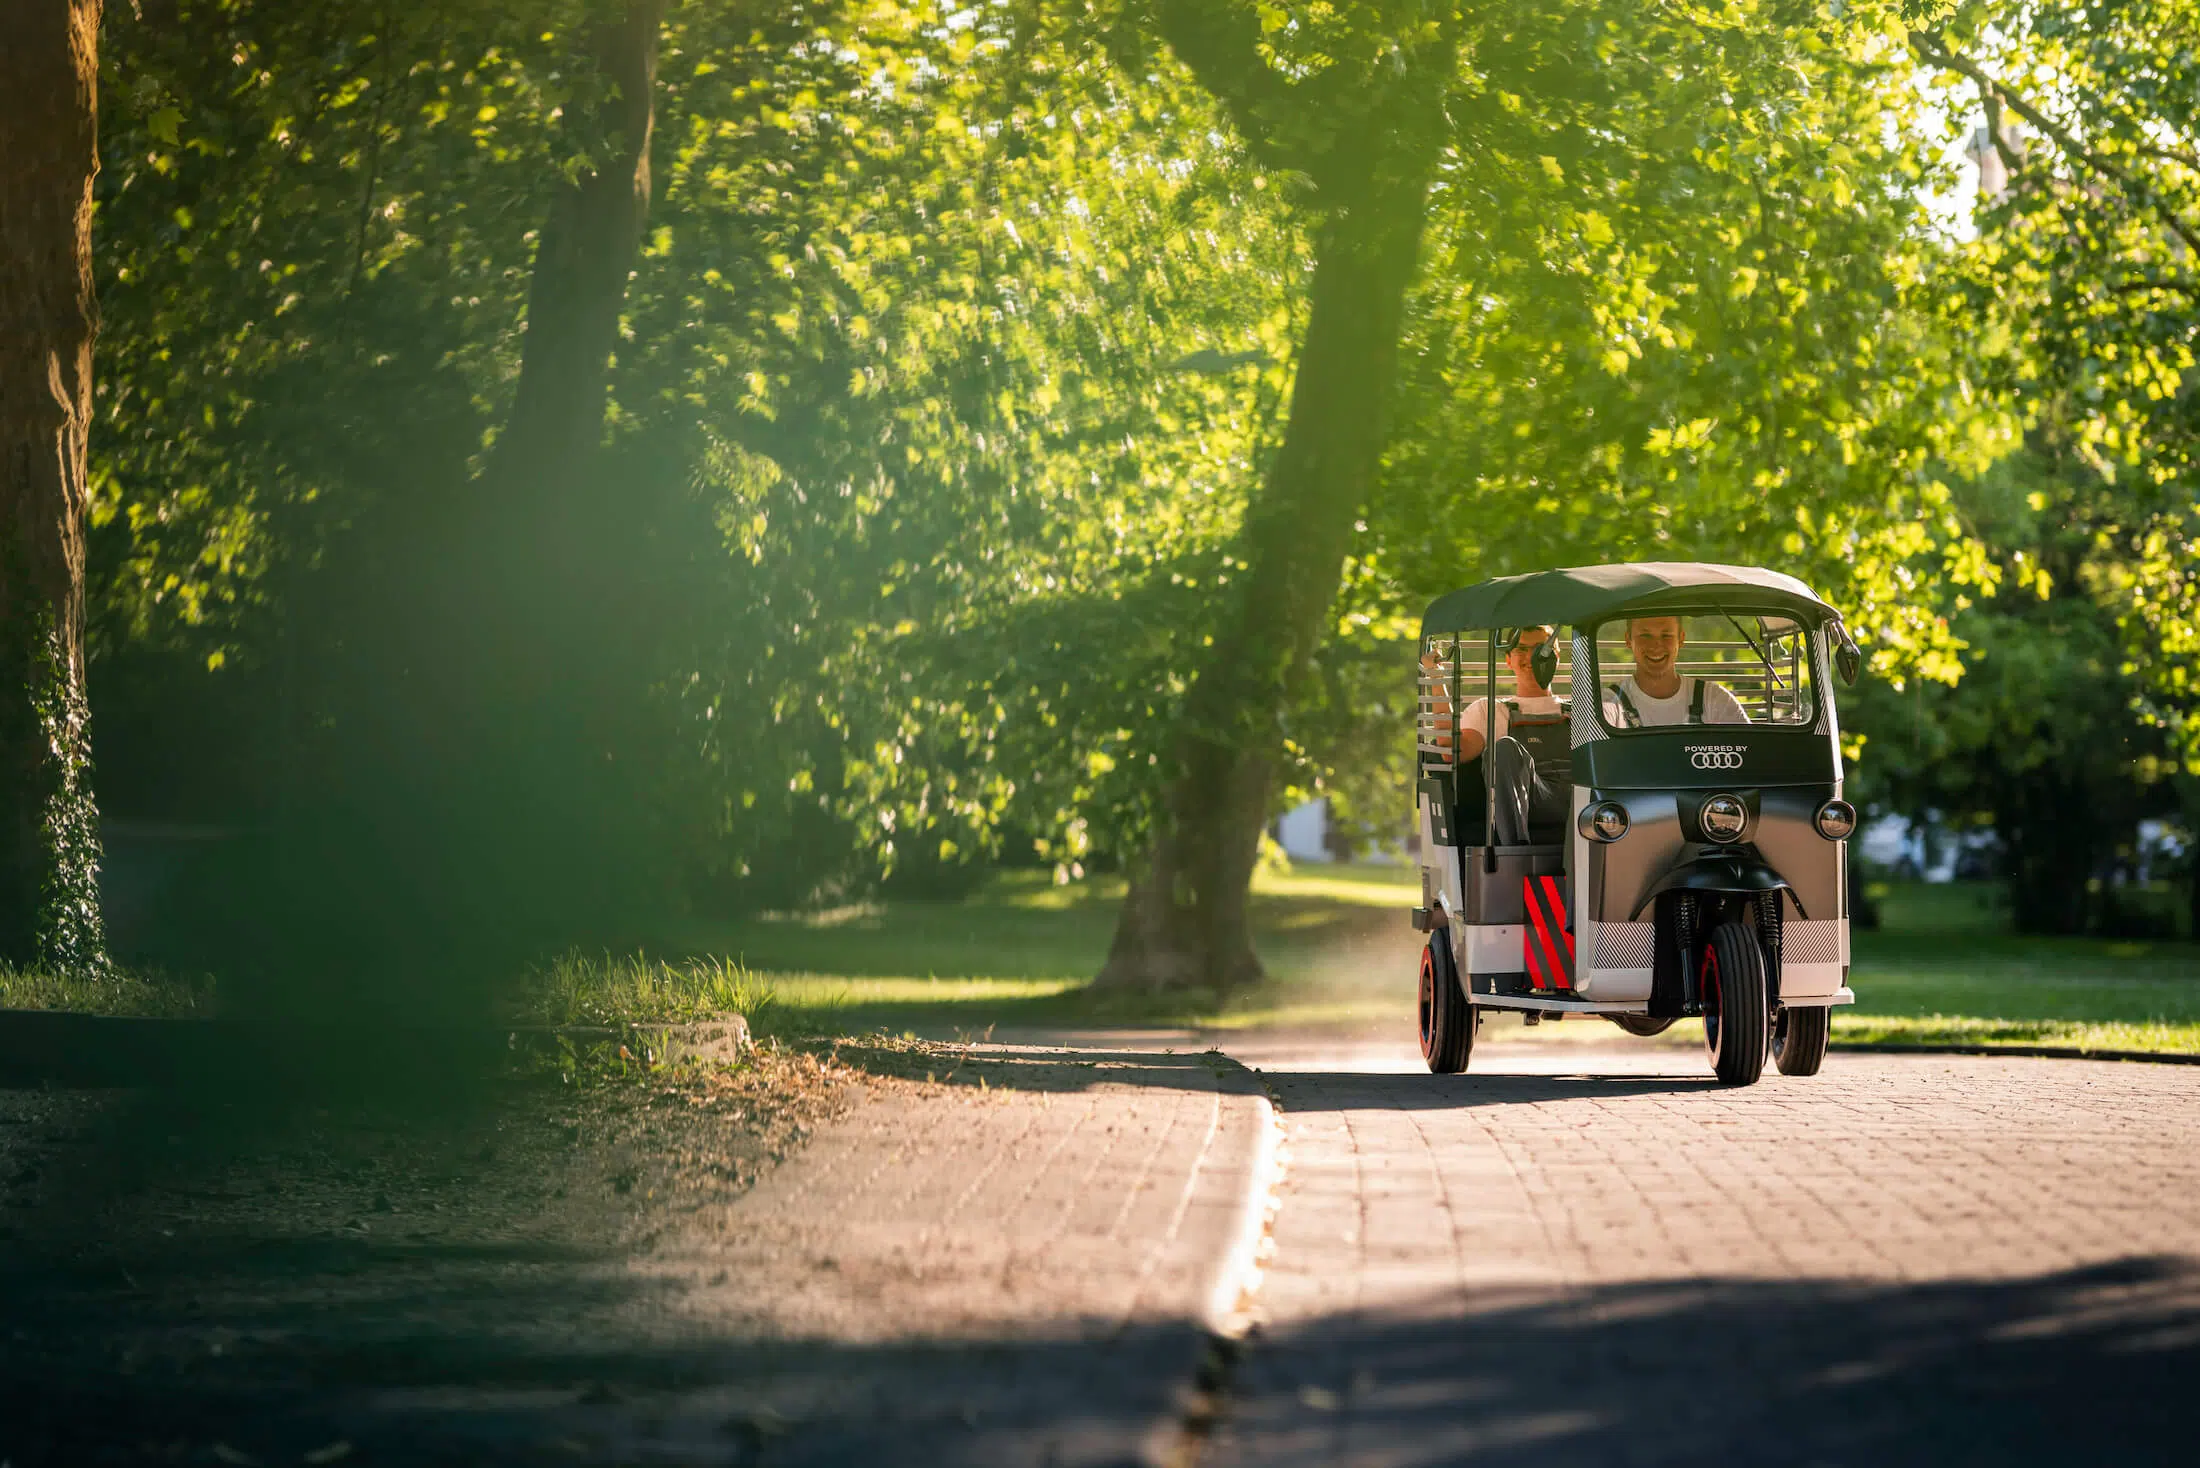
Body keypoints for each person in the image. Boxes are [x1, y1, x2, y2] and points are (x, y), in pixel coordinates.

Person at [1421, 625, 1569, 845]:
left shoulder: (1586, 710)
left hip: (1581, 801)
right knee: (1504, 748)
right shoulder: (1490, 710)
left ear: (1556, 656)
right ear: (1508, 659)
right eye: (1521, 649)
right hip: (1531, 800)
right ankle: (1516, 852)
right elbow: (1451, 750)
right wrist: (1435, 676)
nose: (1531, 656)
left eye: (1541, 649)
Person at [1602, 615, 1749, 727]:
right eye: (1645, 635)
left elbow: (1750, 751)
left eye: (1666, 635)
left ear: (1681, 639)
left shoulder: (1715, 700)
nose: (1656, 645)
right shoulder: (1608, 704)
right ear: (1628, 639)